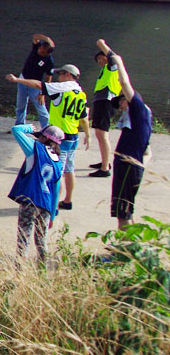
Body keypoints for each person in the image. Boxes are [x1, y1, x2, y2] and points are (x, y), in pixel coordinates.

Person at [8, 64, 87, 210]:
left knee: (58, 172)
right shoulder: (80, 92)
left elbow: (39, 84)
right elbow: (84, 117)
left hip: (60, 138)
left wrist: (18, 80)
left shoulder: (63, 88)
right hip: (74, 136)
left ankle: (53, 206)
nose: (58, 77)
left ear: (68, 75)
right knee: (69, 169)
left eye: (61, 74)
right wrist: (87, 135)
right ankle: (68, 201)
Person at [98, 40, 151, 230]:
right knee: (127, 210)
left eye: (121, 102)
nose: (120, 106)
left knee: (122, 214)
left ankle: (122, 254)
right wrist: (140, 167)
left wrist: (115, 59)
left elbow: (124, 82)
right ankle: (131, 248)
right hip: (130, 167)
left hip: (128, 168)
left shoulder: (138, 110)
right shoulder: (142, 121)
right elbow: (147, 151)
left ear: (128, 101)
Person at [8, 123, 64, 267]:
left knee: (23, 239)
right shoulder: (58, 162)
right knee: (41, 241)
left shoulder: (34, 149)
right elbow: (56, 191)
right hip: (45, 205)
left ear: (45, 138)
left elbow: (16, 130)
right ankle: (42, 270)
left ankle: (19, 272)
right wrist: (52, 215)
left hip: (30, 201)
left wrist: (29, 128)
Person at [87, 50, 122, 178]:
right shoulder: (104, 71)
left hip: (106, 102)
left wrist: (101, 44)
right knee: (99, 133)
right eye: (98, 60)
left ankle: (105, 168)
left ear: (107, 58)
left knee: (102, 134)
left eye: (101, 58)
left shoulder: (112, 67)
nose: (100, 62)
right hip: (100, 101)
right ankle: (104, 161)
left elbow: (112, 54)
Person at [14, 34, 56, 127]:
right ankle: (20, 126)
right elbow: (35, 37)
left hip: (35, 86)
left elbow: (48, 78)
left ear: (48, 54)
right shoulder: (36, 47)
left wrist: (43, 93)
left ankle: (46, 129)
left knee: (41, 109)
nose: (40, 52)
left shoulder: (49, 62)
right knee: (20, 106)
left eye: (43, 52)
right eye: (40, 49)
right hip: (23, 80)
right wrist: (47, 38)